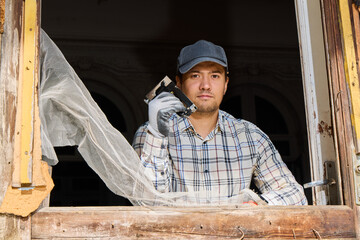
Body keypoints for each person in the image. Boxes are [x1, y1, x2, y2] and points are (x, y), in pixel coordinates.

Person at [132, 40, 307, 205]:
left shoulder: (251, 136)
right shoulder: (149, 133)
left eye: (215, 76)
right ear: (178, 83)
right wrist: (156, 134)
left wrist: (257, 205)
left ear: (225, 84)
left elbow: (295, 195)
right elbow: (145, 203)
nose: (206, 85)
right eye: (195, 75)